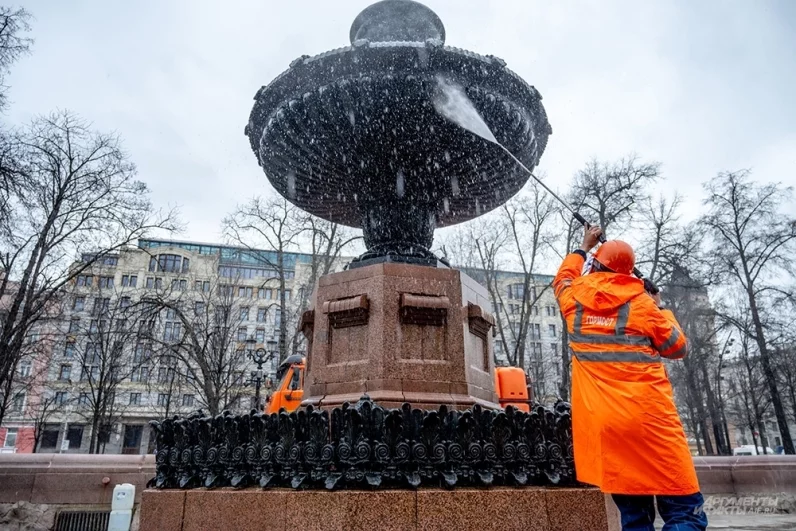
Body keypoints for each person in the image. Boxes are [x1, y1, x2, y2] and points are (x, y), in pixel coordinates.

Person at [553, 225, 707, 531]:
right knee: (685, 512)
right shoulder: (643, 305)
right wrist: (660, 305)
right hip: (651, 423)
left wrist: (583, 246)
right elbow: (678, 347)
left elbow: (563, 278)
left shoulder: (574, 302)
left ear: (594, 264)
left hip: (610, 429)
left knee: (635, 519)